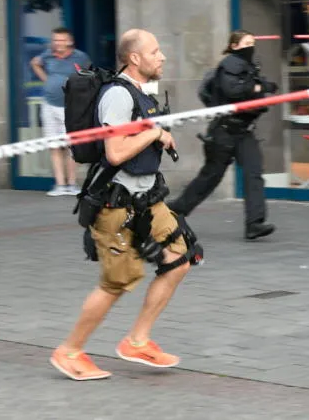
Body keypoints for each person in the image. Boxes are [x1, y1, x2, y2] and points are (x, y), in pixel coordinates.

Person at [50, 29, 191, 381]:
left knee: (179, 259)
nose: (162, 56)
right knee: (116, 283)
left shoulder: (141, 93)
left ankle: (137, 341)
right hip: (116, 206)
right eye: (155, 51)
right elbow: (115, 153)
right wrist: (154, 133)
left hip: (148, 199)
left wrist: (158, 134)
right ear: (135, 58)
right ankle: (69, 352)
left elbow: (138, 140)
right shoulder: (117, 96)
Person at [169, 30, 277, 240]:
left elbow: (258, 89)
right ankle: (176, 210)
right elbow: (233, 91)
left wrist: (261, 87)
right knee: (211, 176)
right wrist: (257, 87)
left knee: (254, 173)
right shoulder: (229, 65)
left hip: (244, 131)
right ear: (234, 46)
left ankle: (254, 223)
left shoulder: (249, 67)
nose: (251, 47)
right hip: (224, 131)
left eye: (253, 42)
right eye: (246, 43)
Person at [30, 27, 91, 196]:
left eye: (61, 40)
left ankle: (71, 184)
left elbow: (89, 76)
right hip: (49, 106)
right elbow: (35, 63)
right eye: (55, 40)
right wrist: (48, 80)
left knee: (72, 147)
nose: (58, 43)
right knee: (54, 146)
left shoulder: (80, 57)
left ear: (69, 41)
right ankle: (60, 185)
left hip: (70, 108)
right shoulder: (48, 55)